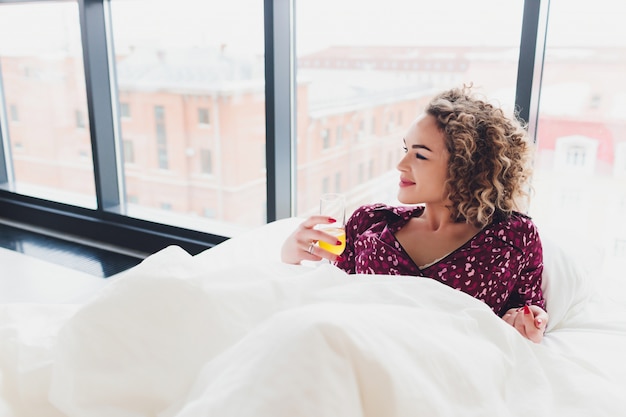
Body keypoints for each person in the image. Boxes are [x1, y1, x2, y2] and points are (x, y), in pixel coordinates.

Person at [281, 85, 549, 343]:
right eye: (405, 150)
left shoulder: (513, 236)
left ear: (466, 167)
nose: (400, 164)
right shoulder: (370, 222)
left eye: (420, 156)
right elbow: (331, 294)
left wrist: (528, 322)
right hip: (358, 354)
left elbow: (528, 311)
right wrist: (292, 257)